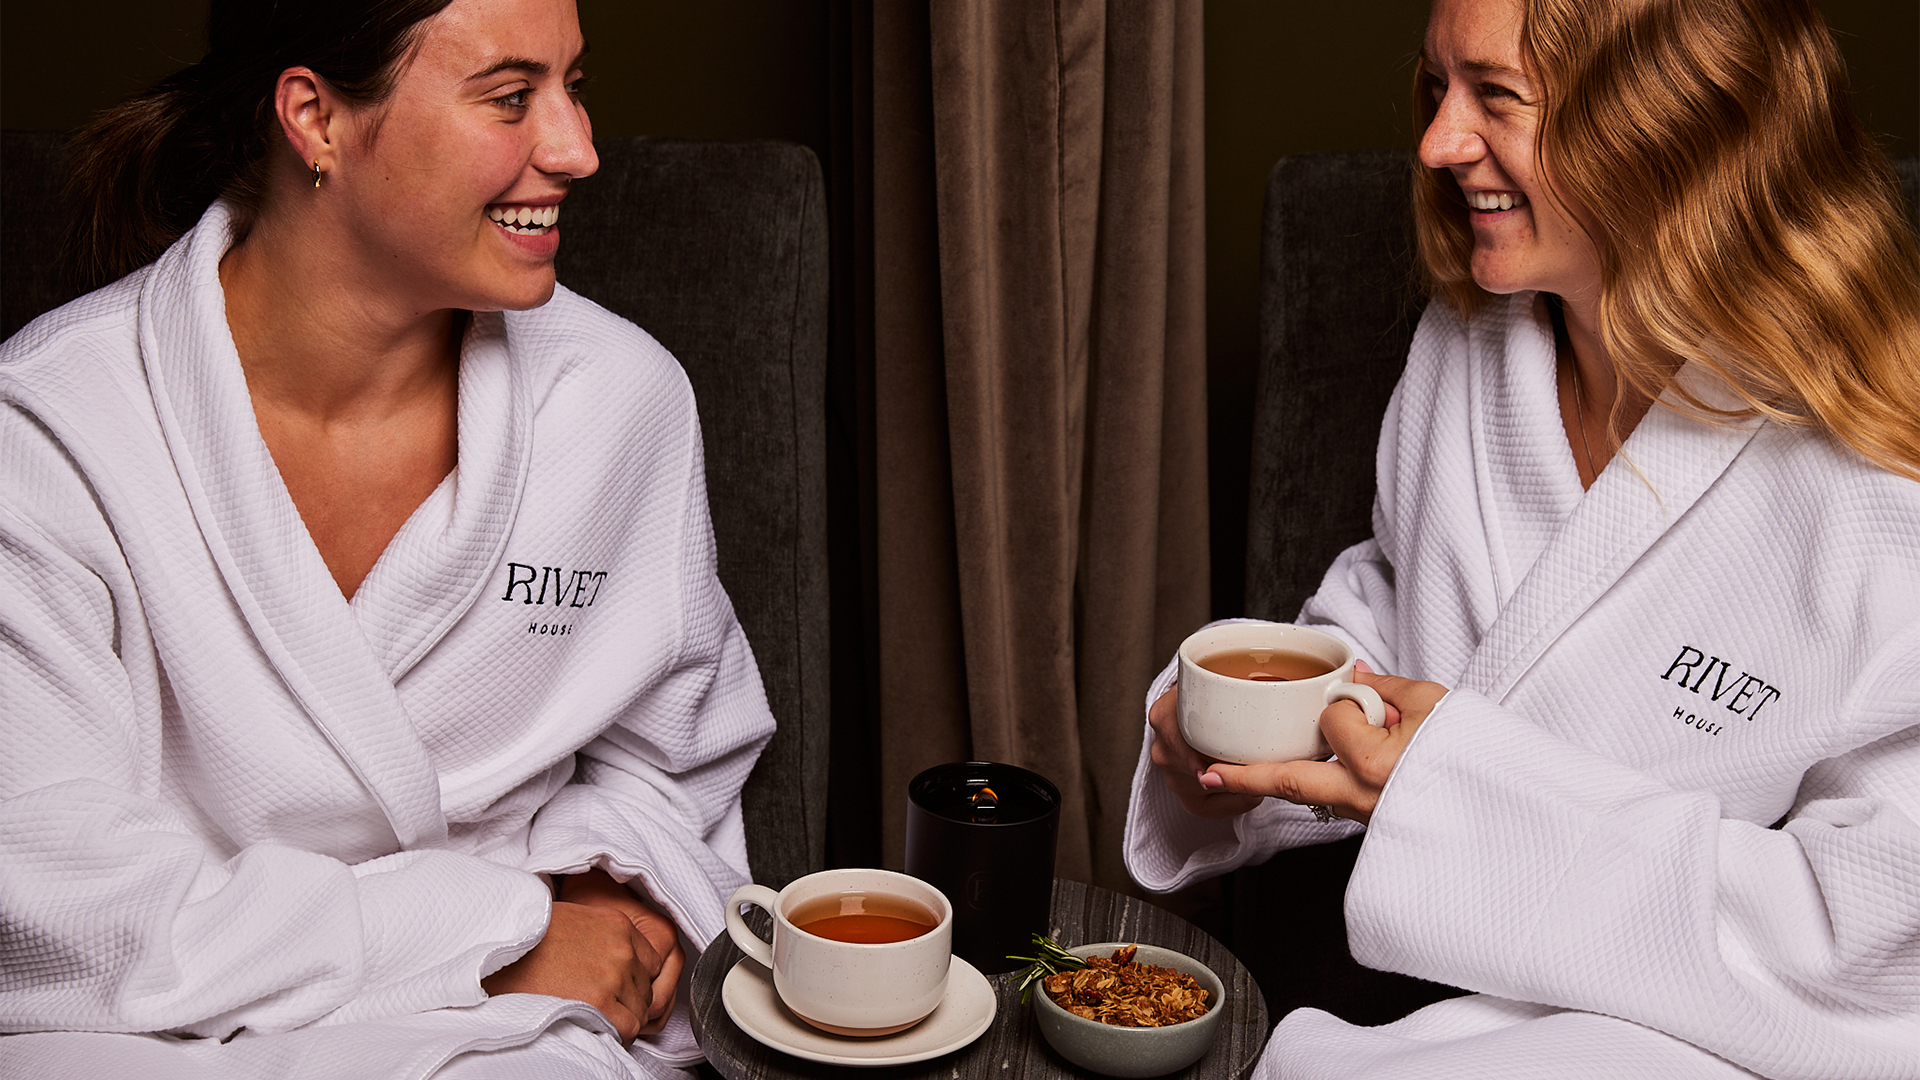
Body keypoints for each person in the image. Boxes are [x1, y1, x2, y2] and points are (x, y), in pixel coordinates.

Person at [1128, 0, 1920, 1076]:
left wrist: (1448, 785)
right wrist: (1238, 739)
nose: (1438, 143)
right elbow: (1420, 613)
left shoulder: (1873, 481)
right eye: (1438, 87)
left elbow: (1877, 944)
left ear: (1668, 119)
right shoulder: (1471, 347)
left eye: (1495, 97)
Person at [0, 1, 775, 1077]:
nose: (577, 149)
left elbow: (675, 756)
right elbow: (55, 912)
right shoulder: (50, 436)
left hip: (513, 1044)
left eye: (575, 86)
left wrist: (607, 889)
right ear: (314, 119)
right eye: (511, 97)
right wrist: (492, 935)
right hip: (150, 1041)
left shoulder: (620, 403)